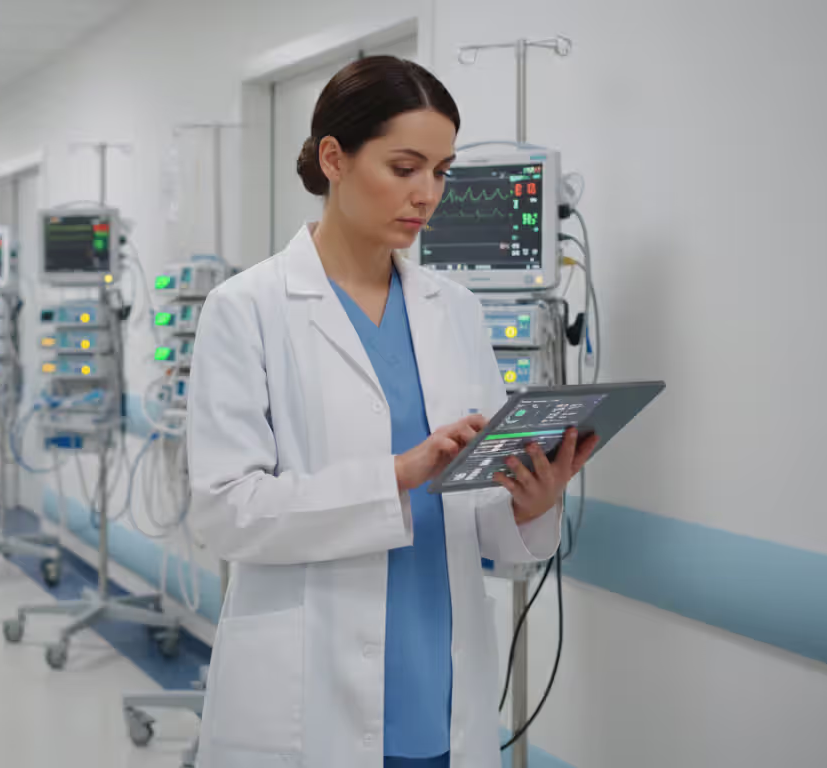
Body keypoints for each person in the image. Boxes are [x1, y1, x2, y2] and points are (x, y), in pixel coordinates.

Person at [187, 56, 597, 768]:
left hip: (439, 680)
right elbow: (226, 512)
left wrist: (531, 503)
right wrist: (396, 475)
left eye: (441, 171)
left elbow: (480, 512)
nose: (427, 194)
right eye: (405, 167)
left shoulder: (454, 310)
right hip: (308, 690)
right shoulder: (246, 308)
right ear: (334, 159)